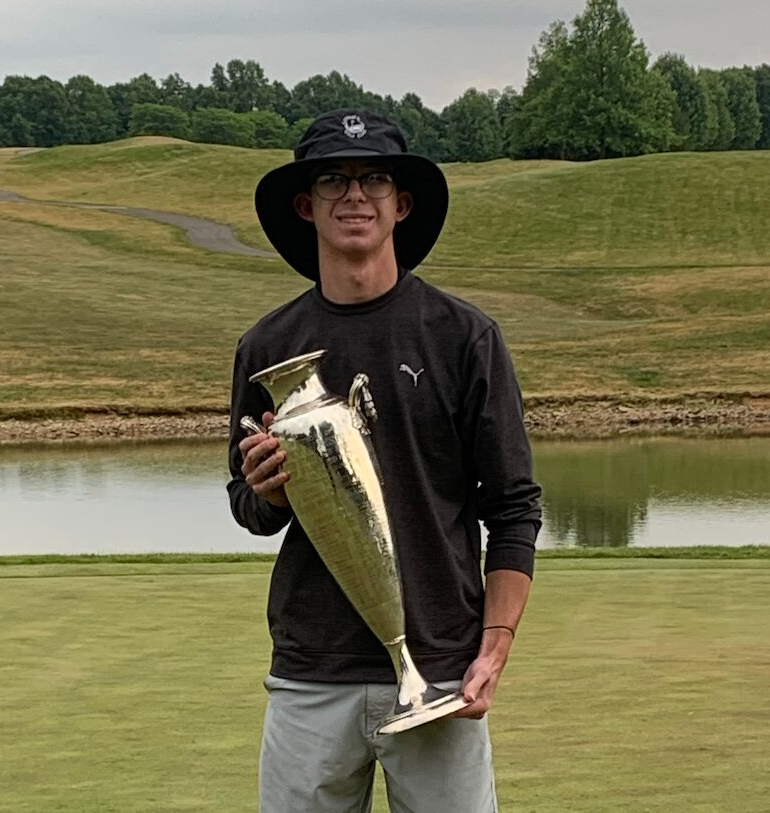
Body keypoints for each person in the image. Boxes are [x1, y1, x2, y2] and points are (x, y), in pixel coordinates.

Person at [227, 109, 542, 813]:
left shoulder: (464, 338)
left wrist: (494, 646)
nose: (354, 195)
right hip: (314, 670)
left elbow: (515, 507)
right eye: (333, 179)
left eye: (374, 177)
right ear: (306, 207)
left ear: (402, 203)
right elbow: (246, 507)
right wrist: (269, 492)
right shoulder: (266, 347)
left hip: (441, 671)